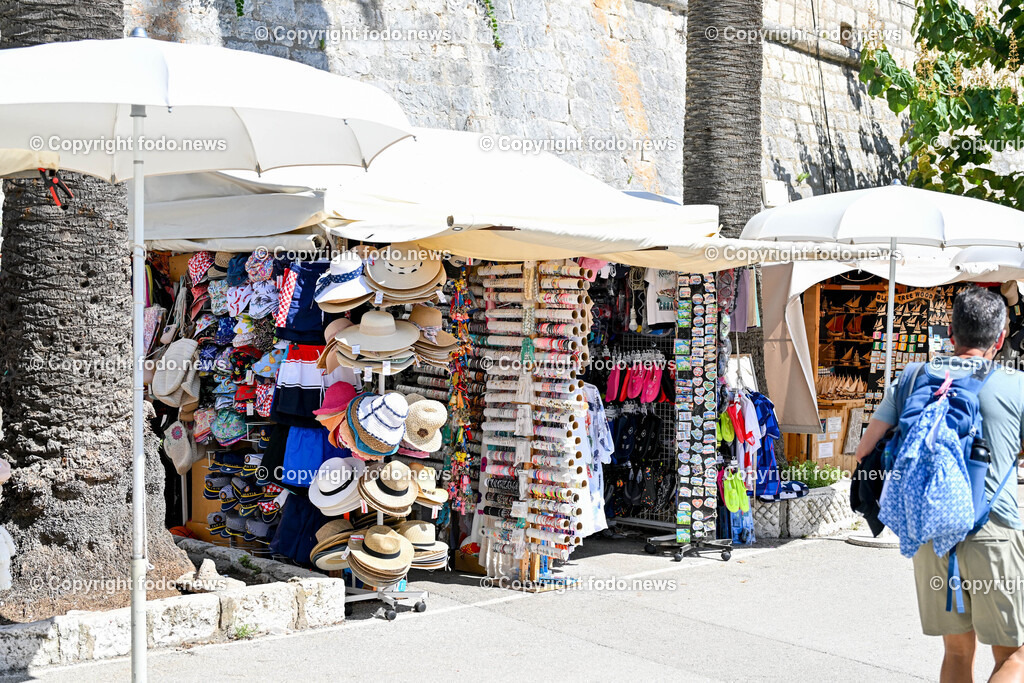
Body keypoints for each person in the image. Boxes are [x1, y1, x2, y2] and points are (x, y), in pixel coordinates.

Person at [855, 286, 1024, 682]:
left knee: (956, 651)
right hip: (992, 531)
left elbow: (865, 450)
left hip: (929, 531)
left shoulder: (914, 377)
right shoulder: (1016, 385)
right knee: (1013, 656)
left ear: (952, 332)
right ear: (1000, 338)